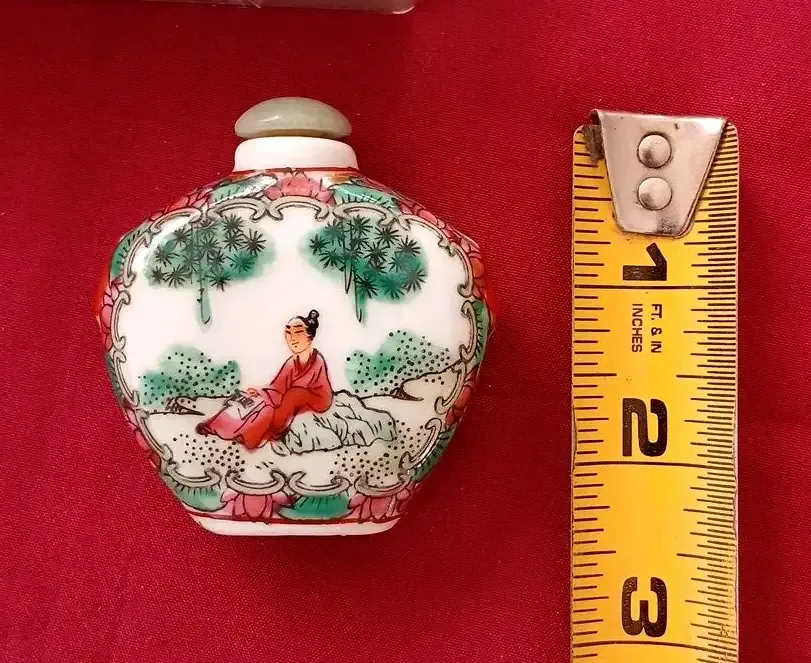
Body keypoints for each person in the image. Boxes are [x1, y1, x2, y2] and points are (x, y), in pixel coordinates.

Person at [196, 310, 333, 450]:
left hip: (317, 398)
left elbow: (301, 387)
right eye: (288, 332)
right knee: (262, 403)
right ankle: (217, 427)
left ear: (309, 336)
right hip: (293, 397)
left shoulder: (317, 361)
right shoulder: (291, 362)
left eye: (298, 333)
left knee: (292, 395)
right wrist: (259, 393)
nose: (292, 338)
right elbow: (278, 387)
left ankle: (269, 432)